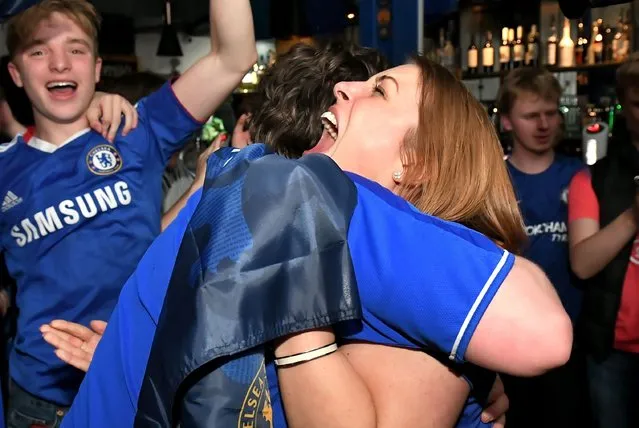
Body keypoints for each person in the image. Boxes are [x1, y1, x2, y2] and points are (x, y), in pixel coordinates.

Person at [46, 51, 570, 428]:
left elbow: (544, 333)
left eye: (380, 91)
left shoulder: (306, 198)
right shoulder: (284, 192)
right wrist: (138, 357)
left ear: (417, 161)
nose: (345, 90)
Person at [0, 0, 256, 426]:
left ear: (97, 68)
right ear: (16, 72)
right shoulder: (5, 169)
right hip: (41, 399)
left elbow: (233, 56)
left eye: (76, 49)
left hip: (136, 376)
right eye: (39, 51)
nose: (60, 63)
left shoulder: (137, 129)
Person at [497, 68, 589, 427]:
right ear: (507, 122)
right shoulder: (495, 180)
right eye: (531, 116)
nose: (543, 124)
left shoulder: (579, 174)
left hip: (572, 340)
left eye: (551, 114)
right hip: (512, 339)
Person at [568, 52, 639, 428]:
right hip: (612, 350)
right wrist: (633, 215)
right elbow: (581, 264)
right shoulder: (592, 179)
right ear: (624, 106)